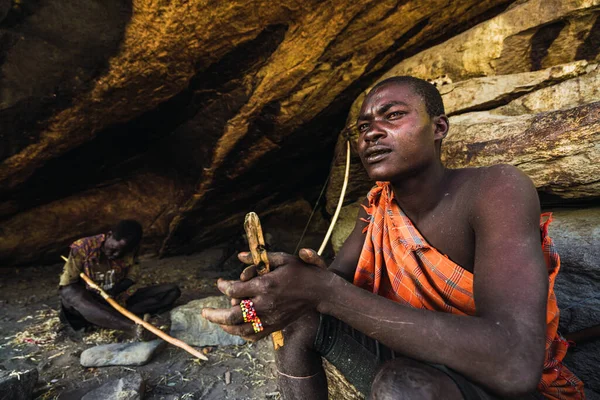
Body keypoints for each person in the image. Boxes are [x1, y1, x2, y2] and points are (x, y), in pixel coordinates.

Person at [202, 76, 585, 399]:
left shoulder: (496, 190)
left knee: (402, 384)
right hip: (413, 355)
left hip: (492, 383)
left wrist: (322, 290)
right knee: (300, 319)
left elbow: (515, 364)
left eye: (394, 115)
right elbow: (330, 287)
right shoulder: (377, 207)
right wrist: (273, 295)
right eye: (364, 127)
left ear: (438, 127)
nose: (372, 133)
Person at [59, 220, 181, 338]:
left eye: (122, 252)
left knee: (171, 291)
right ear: (109, 235)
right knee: (69, 292)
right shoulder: (83, 247)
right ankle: (131, 327)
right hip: (88, 303)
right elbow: (67, 284)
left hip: (115, 299)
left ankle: (109, 319)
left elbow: (131, 277)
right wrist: (97, 295)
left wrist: (115, 290)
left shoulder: (132, 250)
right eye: (113, 248)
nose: (116, 254)